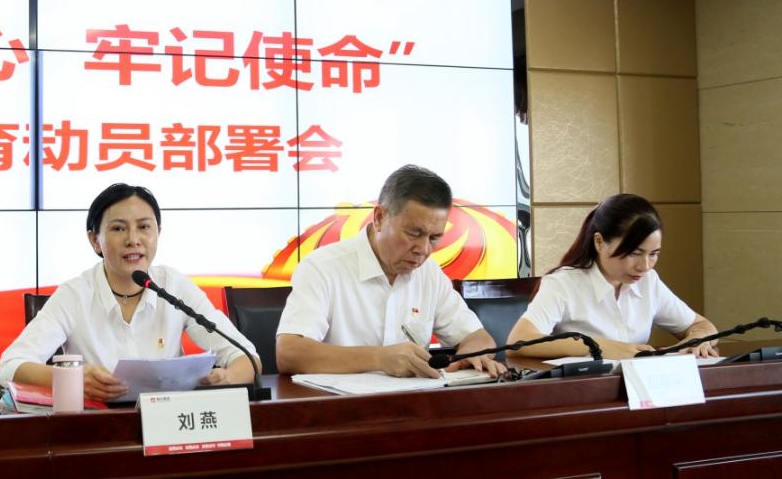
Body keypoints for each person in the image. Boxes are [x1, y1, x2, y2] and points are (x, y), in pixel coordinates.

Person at [0, 183, 259, 401]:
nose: (133, 239)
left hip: (170, 427)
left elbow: (247, 356)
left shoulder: (174, 285)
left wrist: (228, 378)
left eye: (144, 227)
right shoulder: (75, 294)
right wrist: (74, 378)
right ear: (95, 240)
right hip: (98, 430)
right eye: (118, 228)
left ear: (158, 233)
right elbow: (7, 367)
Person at [276, 165, 505, 378]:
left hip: (413, 403)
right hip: (338, 404)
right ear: (379, 218)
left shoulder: (429, 274)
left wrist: (472, 355)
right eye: (413, 234)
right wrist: (379, 358)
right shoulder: (322, 267)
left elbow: (479, 337)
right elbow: (289, 353)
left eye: (434, 238)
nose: (423, 249)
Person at [506, 193, 718, 359]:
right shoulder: (563, 284)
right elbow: (519, 341)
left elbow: (701, 325)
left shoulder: (649, 282)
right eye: (634, 253)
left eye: (653, 254)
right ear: (599, 242)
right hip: (584, 391)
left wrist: (698, 338)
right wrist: (598, 347)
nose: (645, 266)